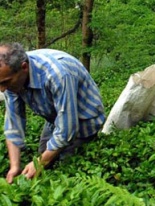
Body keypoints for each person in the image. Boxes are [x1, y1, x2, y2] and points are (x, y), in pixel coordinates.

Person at [0, 42, 106, 183]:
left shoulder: (58, 75)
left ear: (24, 68)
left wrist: (40, 163)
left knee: (65, 168)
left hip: (84, 120)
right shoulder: (9, 79)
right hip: (55, 118)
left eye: (6, 82)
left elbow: (67, 130)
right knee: (43, 159)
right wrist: (14, 167)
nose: (2, 90)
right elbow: (14, 124)